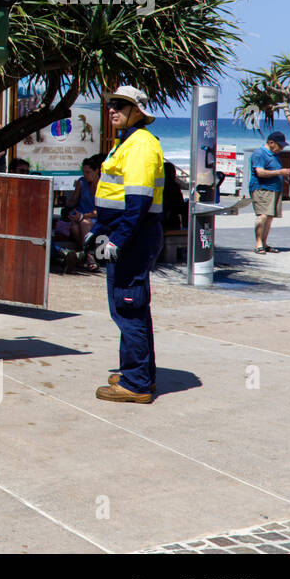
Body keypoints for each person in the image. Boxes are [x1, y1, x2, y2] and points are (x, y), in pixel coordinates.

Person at [89, 86, 165, 404]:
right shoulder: (129, 142)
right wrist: (97, 232)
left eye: (120, 105)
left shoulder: (141, 145)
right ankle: (136, 372)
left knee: (128, 307)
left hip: (133, 237)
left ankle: (136, 383)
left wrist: (117, 241)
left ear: (137, 111)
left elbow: (138, 202)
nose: (112, 109)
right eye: (111, 105)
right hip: (127, 234)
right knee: (129, 308)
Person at [248, 131, 290, 253]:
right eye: (280, 146)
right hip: (262, 188)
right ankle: (258, 244)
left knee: (269, 217)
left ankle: (264, 243)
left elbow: (276, 170)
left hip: (275, 189)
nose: (282, 148)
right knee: (262, 216)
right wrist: (280, 172)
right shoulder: (259, 154)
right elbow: (260, 172)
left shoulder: (276, 155)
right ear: (271, 142)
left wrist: (286, 175)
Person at [65, 155, 103, 270]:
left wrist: (83, 216)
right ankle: (87, 255)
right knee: (75, 227)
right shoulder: (82, 182)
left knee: (84, 223)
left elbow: (100, 210)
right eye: (84, 172)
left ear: (96, 171)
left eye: (88, 172)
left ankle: (89, 257)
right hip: (80, 215)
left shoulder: (103, 185)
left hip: (93, 216)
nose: (85, 175)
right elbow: (73, 202)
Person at [161, 161, 186, 232]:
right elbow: (180, 207)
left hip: (161, 220)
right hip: (173, 221)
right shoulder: (175, 187)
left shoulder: (159, 187)